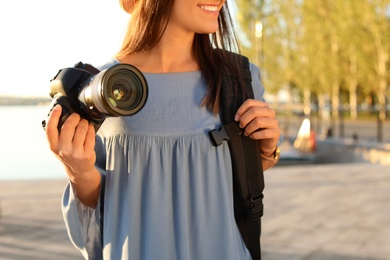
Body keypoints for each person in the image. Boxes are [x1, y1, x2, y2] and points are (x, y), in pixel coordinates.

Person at [45, 0, 281, 259]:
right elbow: (94, 229)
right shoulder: (101, 92)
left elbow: (232, 177)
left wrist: (268, 149)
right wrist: (78, 172)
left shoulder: (239, 79)